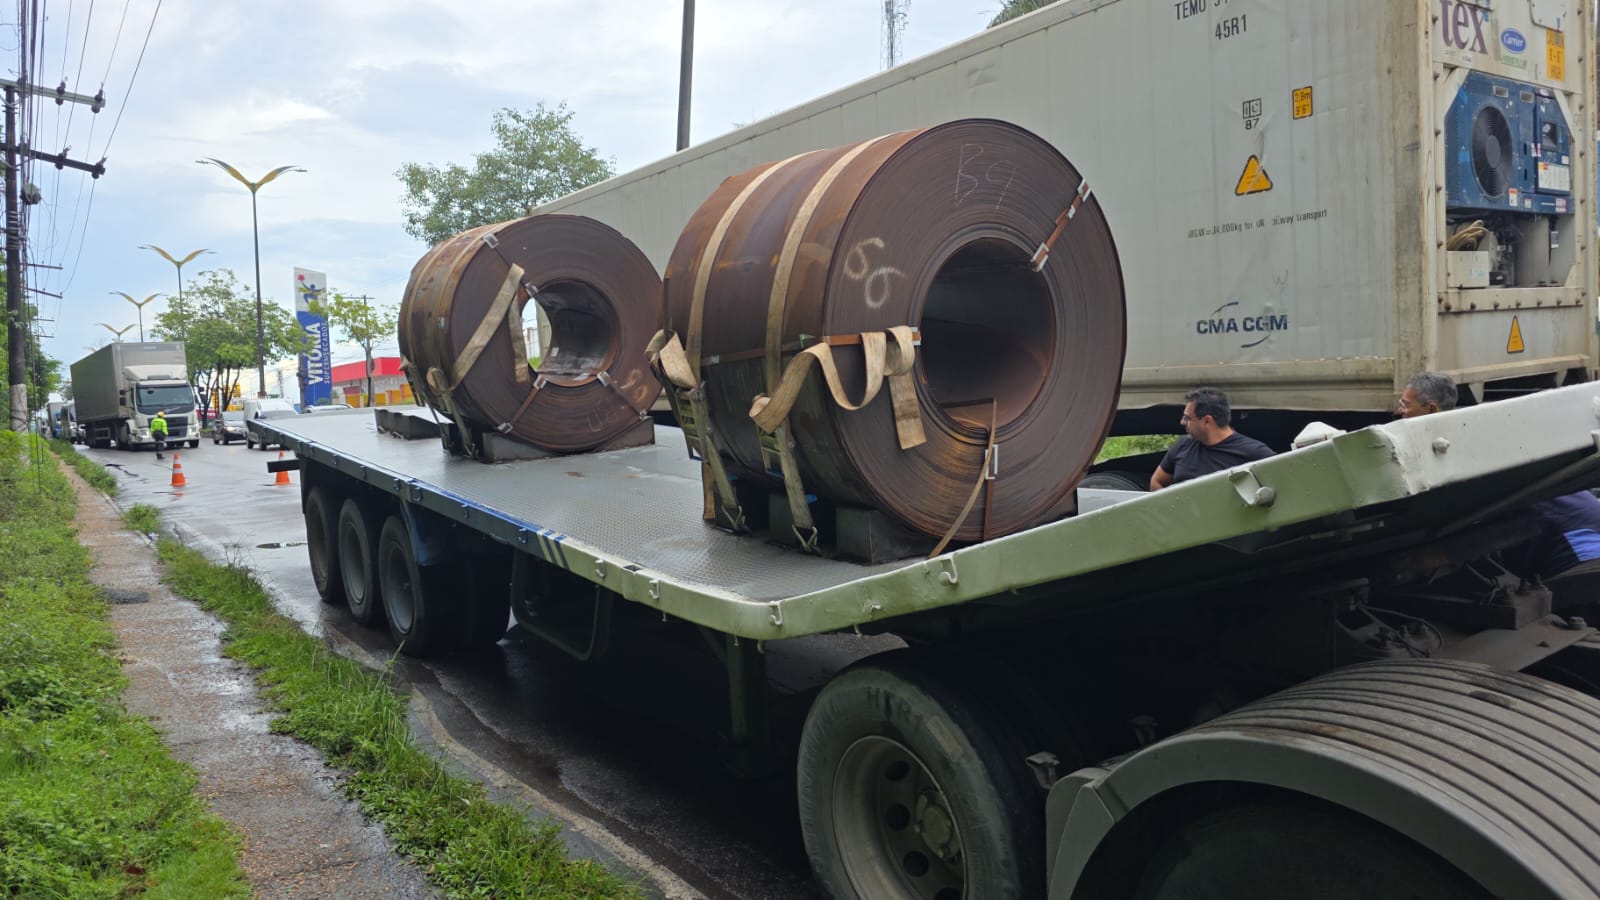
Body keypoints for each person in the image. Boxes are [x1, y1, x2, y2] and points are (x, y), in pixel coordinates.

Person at [1397, 371, 1600, 586]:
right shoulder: (1474, 430)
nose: (1399, 411)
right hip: (1579, 524)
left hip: (1578, 541)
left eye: (1404, 404)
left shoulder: (1459, 453)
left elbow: (1505, 524)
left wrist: (1437, 556)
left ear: (1431, 409)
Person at [1150, 387, 1274, 490]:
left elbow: (1284, 483)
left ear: (1207, 421)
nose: (1182, 422)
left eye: (1188, 418)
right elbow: (1157, 481)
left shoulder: (1253, 452)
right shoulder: (1182, 445)